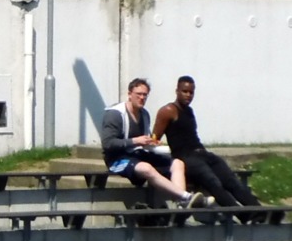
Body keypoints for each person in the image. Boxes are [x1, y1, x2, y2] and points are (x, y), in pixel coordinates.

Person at [153, 76, 263, 210]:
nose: (188, 95)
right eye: (184, 91)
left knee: (230, 180)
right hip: (185, 157)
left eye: (191, 92)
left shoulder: (189, 111)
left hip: (201, 153)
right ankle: (242, 214)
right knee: (213, 183)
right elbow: (154, 138)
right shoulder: (168, 111)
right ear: (177, 91)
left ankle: (258, 210)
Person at [100, 79, 211, 209]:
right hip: (117, 159)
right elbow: (107, 143)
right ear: (129, 94)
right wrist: (135, 141)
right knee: (146, 168)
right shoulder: (115, 114)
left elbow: (143, 143)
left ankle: (181, 205)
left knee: (177, 163)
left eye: (145, 95)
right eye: (138, 94)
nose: (142, 98)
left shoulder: (144, 114)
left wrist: (152, 143)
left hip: (138, 155)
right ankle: (186, 197)